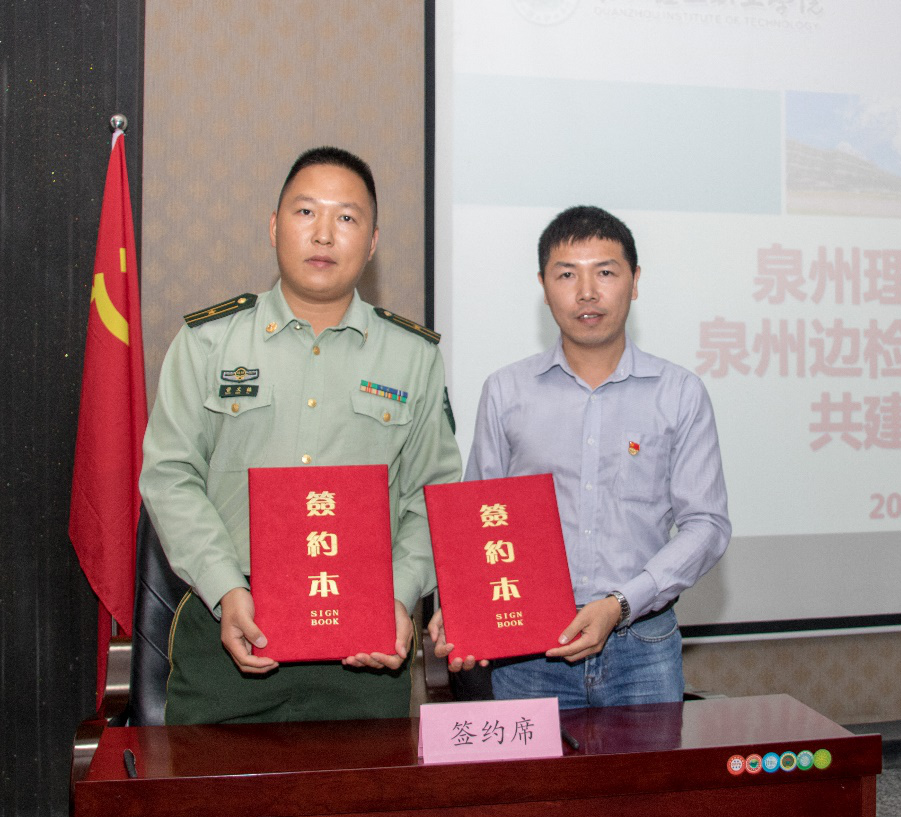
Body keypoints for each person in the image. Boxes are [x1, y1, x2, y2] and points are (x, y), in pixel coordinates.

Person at [139, 147, 462, 724]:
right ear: (274, 227)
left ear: (372, 242)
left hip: (365, 647)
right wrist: (225, 587)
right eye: (306, 212)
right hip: (230, 627)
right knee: (212, 785)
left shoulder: (413, 357)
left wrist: (399, 593)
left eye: (346, 217)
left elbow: (432, 496)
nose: (323, 234)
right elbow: (169, 476)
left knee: (362, 787)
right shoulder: (208, 343)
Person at [430, 205, 730, 708]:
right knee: (532, 766)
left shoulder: (679, 393)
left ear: (635, 281)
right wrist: (464, 609)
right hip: (529, 650)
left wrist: (621, 604)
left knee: (650, 765)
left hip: (643, 646)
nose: (587, 292)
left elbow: (707, 525)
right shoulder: (506, 391)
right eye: (567, 275)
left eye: (605, 273)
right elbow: (478, 519)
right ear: (544, 286)